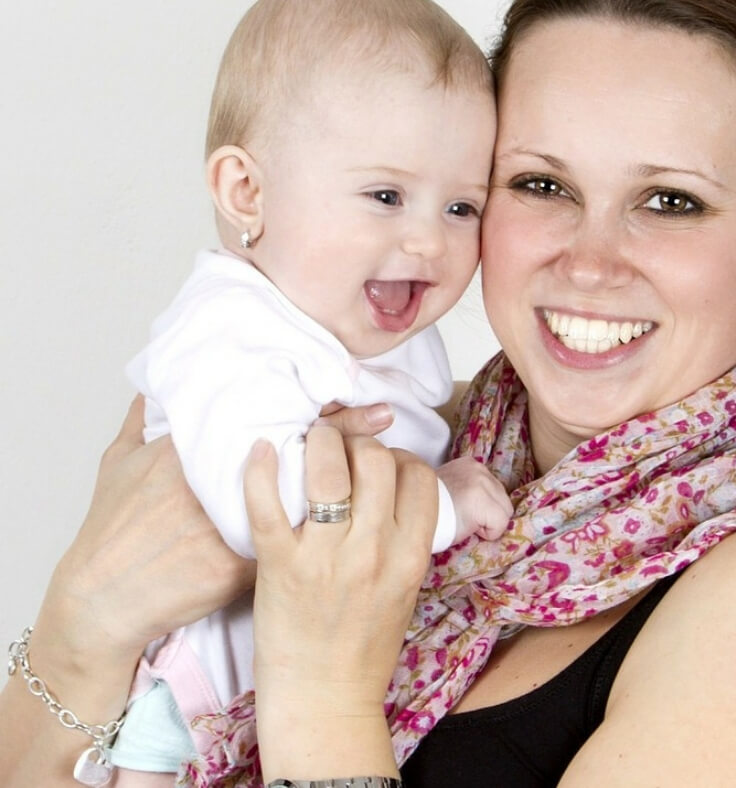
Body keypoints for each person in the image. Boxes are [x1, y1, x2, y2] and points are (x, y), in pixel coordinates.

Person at [0, 0, 736, 786]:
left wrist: (321, 684)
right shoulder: (410, 444)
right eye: (540, 183)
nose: (588, 264)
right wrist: (84, 624)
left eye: (670, 200)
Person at [111, 0, 510, 780]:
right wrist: (446, 502)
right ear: (247, 192)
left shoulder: (356, 326)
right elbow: (272, 510)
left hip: (290, 695)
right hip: (189, 706)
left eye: (462, 206)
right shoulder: (228, 333)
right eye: (386, 196)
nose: (429, 239)